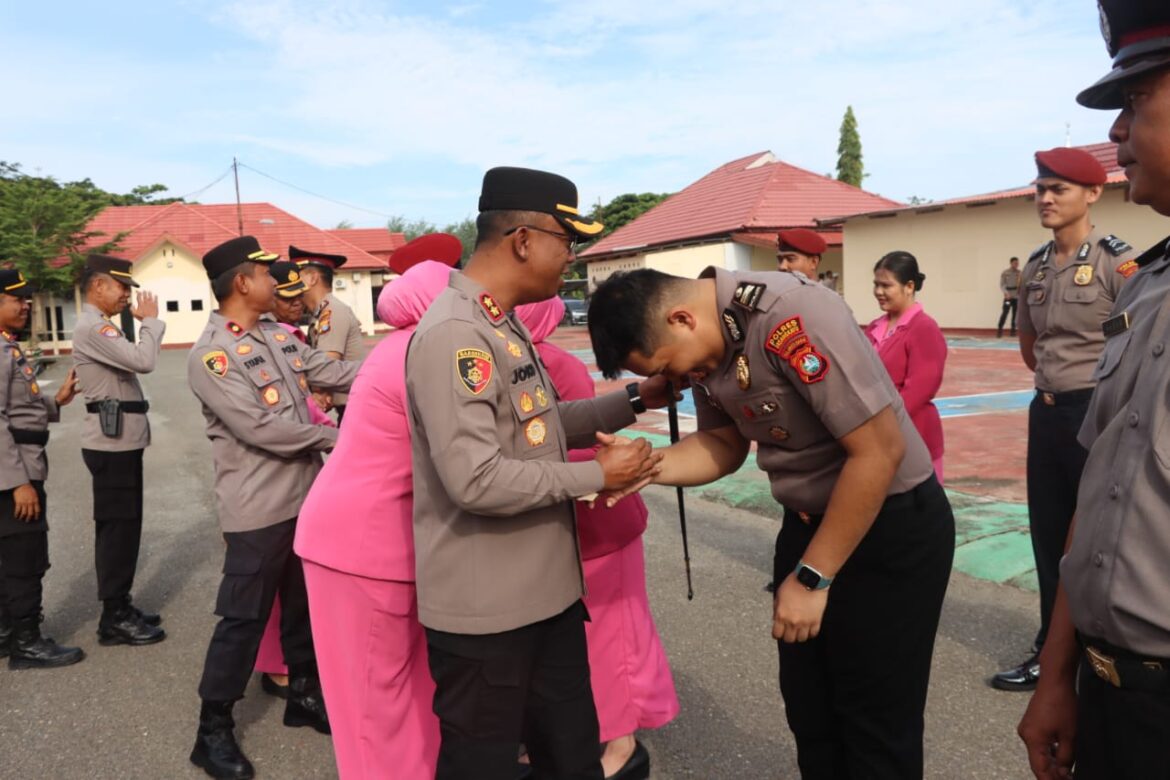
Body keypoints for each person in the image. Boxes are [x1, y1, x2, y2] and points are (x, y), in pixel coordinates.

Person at [588, 266, 955, 779]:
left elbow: (879, 451)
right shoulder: (708, 345)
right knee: (811, 712)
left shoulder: (789, 314)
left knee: (874, 725)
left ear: (681, 319)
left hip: (887, 527)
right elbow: (723, 443)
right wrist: (646, 465)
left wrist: (812, 577)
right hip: (808, 526)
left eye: (671, 367)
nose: (675, 382)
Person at [406, 166, 670, 780]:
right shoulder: (456, 335)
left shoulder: (501, 321)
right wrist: (596, 478)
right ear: (523, 240)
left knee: (571, 757)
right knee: (484, 765)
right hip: (489, 612)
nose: (569, 255)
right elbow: (476, 480)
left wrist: (638, 398)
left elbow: (540, 424)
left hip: (544, 597)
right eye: (565, 240)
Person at [1018, 5, 1170, 777]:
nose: (1115, 133)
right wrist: (1057, 674)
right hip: (1115, 692)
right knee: (1054, 537)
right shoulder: (1152, 288)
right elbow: (1105, 506)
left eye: (1136, 100)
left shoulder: (1120, 267)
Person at [186, 236, 359, 780]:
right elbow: (258, 427)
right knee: (242, 618)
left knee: (303, 604)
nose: (282, 283)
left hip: (305, 499)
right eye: (266, 274)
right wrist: (334, 438)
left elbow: (330, 373)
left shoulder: (278, 336)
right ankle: (211, 729)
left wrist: (399, 367)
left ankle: (303, 695)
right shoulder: (211, 355)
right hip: (258, 508)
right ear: (243, 283)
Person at [294, 235, 460, 780]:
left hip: (377, 540)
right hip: (358, 548)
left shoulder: (401, 347)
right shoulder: (424, 354)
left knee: (401, 692)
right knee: (370, 705)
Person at [991, 145, 1139, 693]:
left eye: (1059, 189)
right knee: (1049, 536)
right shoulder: (1033, 265)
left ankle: (1107, 652)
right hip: (1047, 413)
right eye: (1040, 189)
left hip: (1098, 415)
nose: (1045, 199)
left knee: (1103, 537)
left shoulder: (1117, 263)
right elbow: (1032, 346)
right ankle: (1049, 654)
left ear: (1093, 194)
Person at [517, 295, 679, 780]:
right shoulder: (519, 359)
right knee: (580, 643)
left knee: (616, 639)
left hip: (599, 518)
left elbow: (587, 436)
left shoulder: (554, 362)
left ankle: (622, 743)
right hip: (563, 517)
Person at [71, 253, 167, 646]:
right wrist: (152, 324)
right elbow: (143, 361)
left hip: (120, 441)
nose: (128, 294)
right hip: (111, 445)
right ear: (98, 286)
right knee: (117, 531)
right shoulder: (95, 328)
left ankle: (121, 605)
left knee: (126, 528)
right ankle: (113, 617)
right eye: (121, 286)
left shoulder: (102, 326)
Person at [252, 259, 333, 701]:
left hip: (303, 467)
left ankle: (296, 667)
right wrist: (334, 434)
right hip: (268, 482)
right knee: (267, 588)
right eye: (286, 296)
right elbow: (265, 422)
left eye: (299, 294)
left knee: (296, 581)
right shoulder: (255, 343)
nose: (296, 303)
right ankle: (275, 666)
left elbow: (309, 399)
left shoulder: (290, 339)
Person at [0, 269, 84, 669]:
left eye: (27, 298)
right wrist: (19, 483)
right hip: (15, 470)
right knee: (24, 556)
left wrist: (55, 402)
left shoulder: (8, 347)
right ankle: (27, 642)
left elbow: (20, 408)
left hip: (23, 461)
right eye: (17, 298)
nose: (26, 305)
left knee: (13, 553)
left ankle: (7, 633)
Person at [864, 251, 948, 482]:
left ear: (909, 286)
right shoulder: (874, 327)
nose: (878, 292)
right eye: (876, 284)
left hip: (914, 436)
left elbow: (919, 391)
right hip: (878, 438)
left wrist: (880, 424)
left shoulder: (923, 328)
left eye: (886, 285)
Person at [291, 245, 364, 424]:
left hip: (356, 410)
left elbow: (325, 369)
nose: (291, 282)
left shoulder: (332, 312)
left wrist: (318, 392)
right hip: (348, 408)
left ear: (312, 278)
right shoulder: (318, 313)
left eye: (296, 275)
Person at [997, 257, 1021, 338]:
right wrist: (1006, 293)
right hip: (1008, 296)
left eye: (1017, 263)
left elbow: (1021, 285)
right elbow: (1002, 285)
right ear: (1011, 263)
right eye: (1015, 263)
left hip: (1016, 297)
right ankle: (999, 330)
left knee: (1015, 314)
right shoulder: (1005, 273)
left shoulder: (1020, 273)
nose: (1016, 265)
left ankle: (1013, 331)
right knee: (1005, 313)